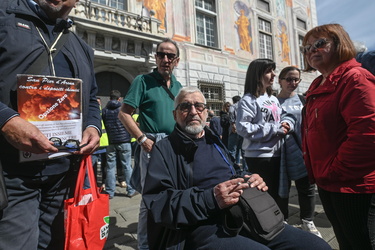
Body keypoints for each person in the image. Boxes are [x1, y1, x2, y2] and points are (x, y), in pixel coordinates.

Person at [142, 87, 331, 250]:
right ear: (175, 114)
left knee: (317, 246)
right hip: (202, 225)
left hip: (245, 213)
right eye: (185, 106)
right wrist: (211, 199)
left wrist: (249, 178)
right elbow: (159, 204)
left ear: (206, 112)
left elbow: (234, 171)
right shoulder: (165, 149)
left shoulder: (213, 140)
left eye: (199, 106)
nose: (193, 111)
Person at [0, 0, 102, 248]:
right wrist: (6, 120)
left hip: (64, 178)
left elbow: (91, 98)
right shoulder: (4, 15)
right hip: (12, 176)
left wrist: (92, 126)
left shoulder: (80, 46)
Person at [301, 23, 375, 249]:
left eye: (319, 44)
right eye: (306, 48)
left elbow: (367, 134)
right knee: (345, 240)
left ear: (339, 44)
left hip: (353, 184)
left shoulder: (355, 77)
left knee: (361, 242)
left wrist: (336, 171)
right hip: (328, 180)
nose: (311, 50)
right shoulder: (318, 82)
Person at [118, 37, 182, 249]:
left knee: (174, 194)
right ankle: (145, 245)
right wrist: (142, 139)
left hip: (174, 145)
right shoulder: (142, 81)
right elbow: (124, 114)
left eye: (170, 55)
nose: (165, 59)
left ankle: (167, 238)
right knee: (149, 198)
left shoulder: (179, 86)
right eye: (161, 54)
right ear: (155, 58)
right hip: (152, 144)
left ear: (177, 60)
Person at [236, 58, 295, 218]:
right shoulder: (248, 100)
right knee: (265, 195)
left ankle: (280, 221)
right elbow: (243, 128)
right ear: (257, 75)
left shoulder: (273, 99)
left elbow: (283, 117)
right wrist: (275, 128)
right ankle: (267, 224)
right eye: (269, 71)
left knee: (280, 192)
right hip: (259, 156)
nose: (274, 74)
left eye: (273, 70)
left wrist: (287, 124)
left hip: (278, 154)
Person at [276, 66, 321, 237]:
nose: (293, 83)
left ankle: (307, 220)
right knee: (282, 188)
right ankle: (283, 220)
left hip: (302, 151)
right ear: (280, 80)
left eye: (296, 80)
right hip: (280, 153)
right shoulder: (272, 101)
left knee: (307, 188)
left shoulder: (303, 100)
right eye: (289, 79)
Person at [102, 90, 136, 199]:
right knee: (127, 166)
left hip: (111, 142)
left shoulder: (104, 111)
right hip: (124, 141)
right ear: (119, 98)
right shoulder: (123, 109)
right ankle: (130, 190)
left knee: (110, 167)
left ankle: (110, 192)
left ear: (109, 98)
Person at [228, 95, 247, 171]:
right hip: (243, 131)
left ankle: (232, 168)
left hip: (235, 130)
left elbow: (231, 113)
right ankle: (246, 169)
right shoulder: (244, 106)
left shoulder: (233, 106)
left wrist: (233, 125)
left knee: (232, 150)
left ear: (233, 100)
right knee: (244, 150)